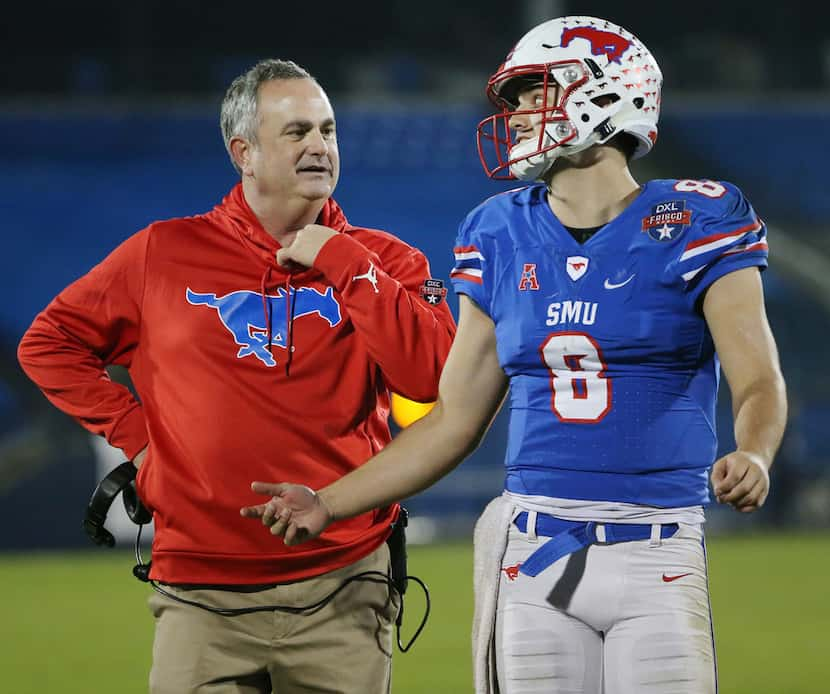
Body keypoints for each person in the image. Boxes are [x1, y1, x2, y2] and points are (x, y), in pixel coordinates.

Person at [240, 17, 788, 694]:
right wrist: (328, 503)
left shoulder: (697, 219)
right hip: (534, 549)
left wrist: (755, 450)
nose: (519, 113)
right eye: (518, 99)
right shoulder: (499, 229)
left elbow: (758, 377)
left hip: (658, 548)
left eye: (536, 94)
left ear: (605, 93)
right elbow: (452, 421)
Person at [17, 59, 455, 694]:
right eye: (297, 132)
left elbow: (431, 376)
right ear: (244, 152)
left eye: (328, 131)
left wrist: (343, 261)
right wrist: (138, 436)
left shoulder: (386, 259)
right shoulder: (162, 253)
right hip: (201, 590)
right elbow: (50, 344)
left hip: (343, 580)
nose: (320, 147)